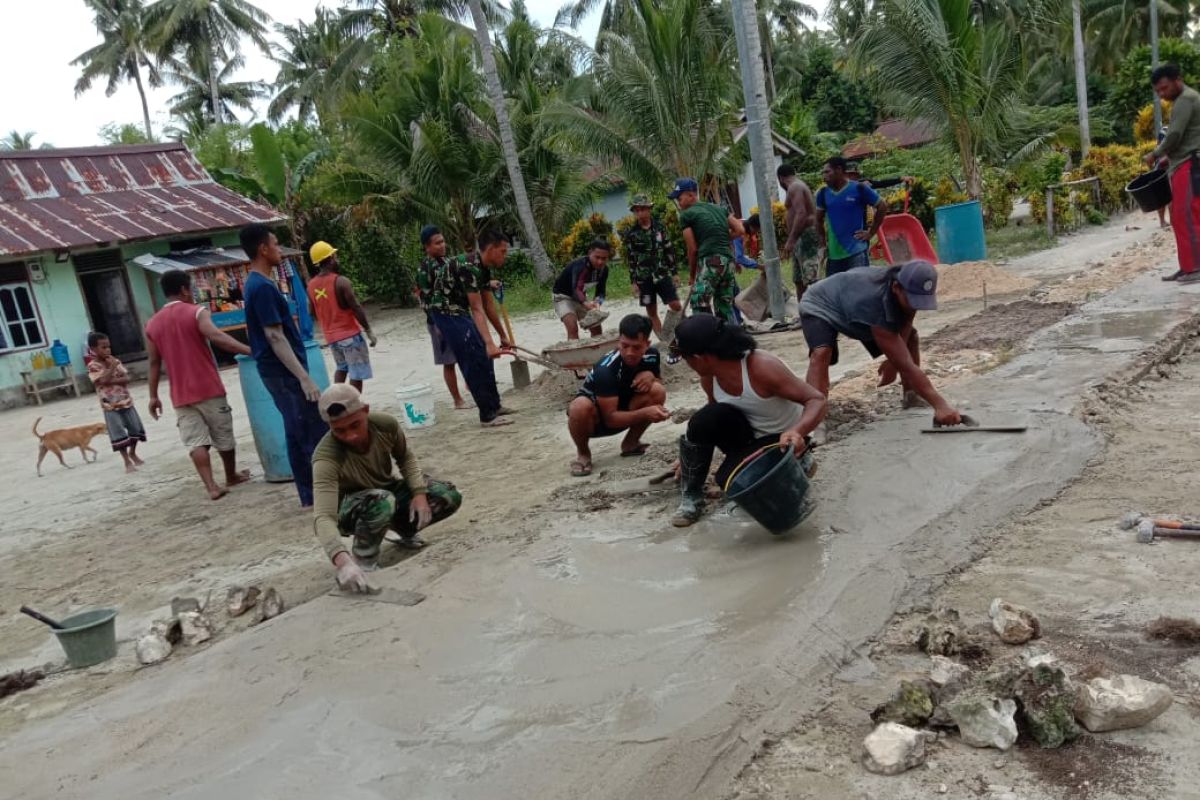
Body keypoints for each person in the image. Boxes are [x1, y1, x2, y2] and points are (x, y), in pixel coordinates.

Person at [670, 315, 826, 527]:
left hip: (782, 444)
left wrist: (798, 431)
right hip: (749, 442)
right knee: (705, 420)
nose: (688, 365)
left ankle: (799, 461)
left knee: (764, 501)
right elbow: (714, 416)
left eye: (687, 359)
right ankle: (692, 497)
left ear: (699, 358)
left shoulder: (761, 367)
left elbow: (816, 399)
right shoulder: (710, 377)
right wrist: (690, 457)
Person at [310, 384, 463, 592]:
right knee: (382, 501)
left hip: (385, 492)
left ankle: (403, 529)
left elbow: (405, 457)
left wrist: (418, 494)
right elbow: (323, 517)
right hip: (350, 509)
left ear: (365, 410)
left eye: (355, 425)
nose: (350, 436)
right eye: (340, 430)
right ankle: (363, 561)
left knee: (447, 495)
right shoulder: (326, 458)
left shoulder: (385, 425)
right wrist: (342, 561)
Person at [798, 260, 964, 435]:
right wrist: (940, 405)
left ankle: (911, 395)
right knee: (821, 353)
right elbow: (905, 364)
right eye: (913, 300)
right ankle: (815, 420)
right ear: (896, 288)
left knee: (911, 338)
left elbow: (905, 325)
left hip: (852, 305)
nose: (916, 306)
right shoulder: (874, 301)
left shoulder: (908, 290)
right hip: (820, 304)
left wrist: (893, 362)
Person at [145, 269, 253, 500]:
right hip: (208, 387)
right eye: (191, 289)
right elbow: (217, 337)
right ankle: (230, 475)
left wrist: (153, 396)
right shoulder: (196, 312)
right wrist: (250, 350)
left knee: (195, 442)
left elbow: (154, 363)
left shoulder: (152, 324)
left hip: (180, 395)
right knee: (223, 433)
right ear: (184, 289)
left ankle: (211, 487)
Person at [241, 223, 328, 507]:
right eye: (276, 244)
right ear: (263, 249)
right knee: (308, 428)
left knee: (296, 429)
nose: (280, 249)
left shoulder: (260, 284)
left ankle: (310, 494)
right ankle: (321, 492)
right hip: (282, 373)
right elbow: (275, 335)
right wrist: (304, 377)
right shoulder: (261, 287)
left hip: (278, 371)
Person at [418, 226, 514, 428]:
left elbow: (488, 305)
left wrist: (502, 336)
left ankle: (494, 406)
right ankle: (487, 416)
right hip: (445, 312)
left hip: (459, 311)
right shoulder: (469, 267)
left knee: (484, 357)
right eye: (503, 251)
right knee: (474, 356)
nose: (505, 256)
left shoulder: (483, 267)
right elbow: (477, 308)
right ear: (490, 249)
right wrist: (489, 343)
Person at [566, 314, 671, 477]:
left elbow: (659, 380)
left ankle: (630, 443)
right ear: (618, 342)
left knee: (657, 390)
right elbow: (610, 419)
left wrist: (651, 376)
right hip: (596, 421)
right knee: (578, 407)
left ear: (647, 344)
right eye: (624, 345)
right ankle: (583, 454)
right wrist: (646, 413)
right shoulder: (606, 369)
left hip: (624, 409)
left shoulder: (652, 355)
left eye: (636, 347)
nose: (629, 352)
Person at [1144, 65, 1200, 283]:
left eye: (1164, 88)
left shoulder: (1186, 99)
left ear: (1178, 80)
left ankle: (1194, 267)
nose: (1162, 94)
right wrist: (1168, 158)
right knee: (1178, 216)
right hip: (1182, 162)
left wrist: (1155, 154)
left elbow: (1175, 134)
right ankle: (1187, 265)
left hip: (1189, 165)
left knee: (1186, 215)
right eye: (1158, 91)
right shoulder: (1184, 100)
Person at [669, 176, 746, 321]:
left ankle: (706, 337)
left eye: (680, 197)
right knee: (724, 306)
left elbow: (692, 249)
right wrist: (720, 238)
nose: (678, 201)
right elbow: (740, 229)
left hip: (711, 261)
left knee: (699, 301)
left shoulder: (686, 215)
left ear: (691, 195)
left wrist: (692, 276)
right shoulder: (719, 208)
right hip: (727, 262)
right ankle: (728, 338)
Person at [305, 241, 377, 392]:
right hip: (349, 334)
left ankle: (336, 399)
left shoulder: (311, 285)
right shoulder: (341, 282)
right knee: (356, 374)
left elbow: (311, 312)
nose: (337, 259)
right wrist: (368, 330)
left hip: (331, 337)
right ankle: (352, 405)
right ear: (330, 258)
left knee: (341, 368)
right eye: (335, 255)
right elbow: (356, 307)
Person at [413, 230, 471, 411]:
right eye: (437, 243)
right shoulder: (425, 269)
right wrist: (437, 323)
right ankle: (458, 400)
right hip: (439, 321)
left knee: (466, 354)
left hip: (456, 316)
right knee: (448, 361)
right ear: (427, 247)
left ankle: (472, 387)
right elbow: (425, 300)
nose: (442, 245)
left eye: (443, 241)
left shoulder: (447, 262)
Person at [85, 331, 147, 474]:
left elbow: (126, 378)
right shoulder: (93, 366)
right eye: (103, 347)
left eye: (108, 347)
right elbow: (100, 381)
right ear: (93, 349)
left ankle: (133, 452)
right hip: (110, 406)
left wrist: (110, 379)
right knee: (118, 433)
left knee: (135, 429)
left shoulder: (116, 361)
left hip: (125, 401)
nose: (107, 350)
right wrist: (111, 369)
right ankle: (126, 461)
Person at [814, 156, 887, 276]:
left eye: (827, 172)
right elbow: (818, 220)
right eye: (823, 173)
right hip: (834, 256)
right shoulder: (823, 194)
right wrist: (822, 244)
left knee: (858, 291)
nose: (824, 176)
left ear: (838, 170)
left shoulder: (859, 188)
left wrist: (870, 233)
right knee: (834, 292)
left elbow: (882, 206)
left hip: (856, 252)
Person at [622, 194, 681, 336]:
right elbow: (631, 259)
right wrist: (633, 282)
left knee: (676, 305)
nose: (640, 213)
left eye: (643, 209)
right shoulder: (631, 234)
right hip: (644, 278)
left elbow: (668, 249)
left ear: (649, 209)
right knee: (651, 311)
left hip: (662, 274)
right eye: (637, 210)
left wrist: (674, 273)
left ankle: (675, 332)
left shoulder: (660, 227)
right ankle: (663, 340)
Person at [552, 239, 612, 339]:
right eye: (597, 257)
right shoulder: (580, 266)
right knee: (572, 328)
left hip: (580, 297)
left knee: (596, 327)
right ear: (590, 253)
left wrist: (597, 302)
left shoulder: (604, 270)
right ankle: (574, 353)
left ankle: (597, 353)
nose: (600, 261)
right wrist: (586, 303)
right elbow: (576, 289)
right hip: (563, 297)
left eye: (604, 258)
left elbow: (601, 291)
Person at [778, 164, 820, 301]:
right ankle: (804, 314)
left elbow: (801, 213)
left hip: (805, 235)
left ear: (780, 178)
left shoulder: (795, 187)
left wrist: (791, 240)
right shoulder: (796, 186)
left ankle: (818, 313)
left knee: (811, 279)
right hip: (799, 238)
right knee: (798, 280)